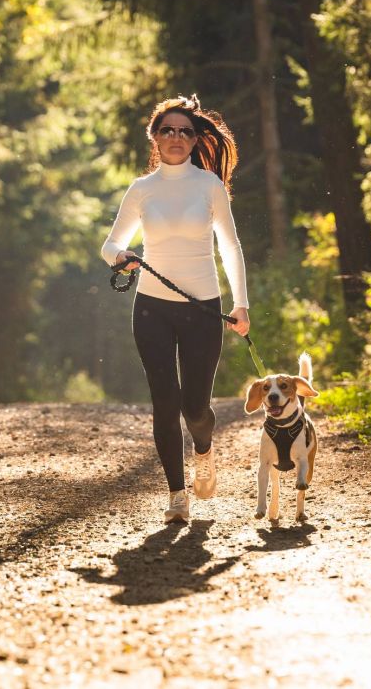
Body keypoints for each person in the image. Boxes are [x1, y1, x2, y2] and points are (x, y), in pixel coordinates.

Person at [101, 94, 250, 524]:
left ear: (195, 138)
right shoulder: (142, 190)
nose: (176, 137)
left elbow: (231, 246)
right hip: (151, 308)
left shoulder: (209, 186)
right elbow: (110, 244)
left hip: (204, 309)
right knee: (165, 403)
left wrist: (241, 303)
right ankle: (176, 495)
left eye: (185, 131)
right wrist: (122, 256)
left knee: (196, 408)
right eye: (168, 129)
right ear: (155, 136)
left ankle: (204, 449)